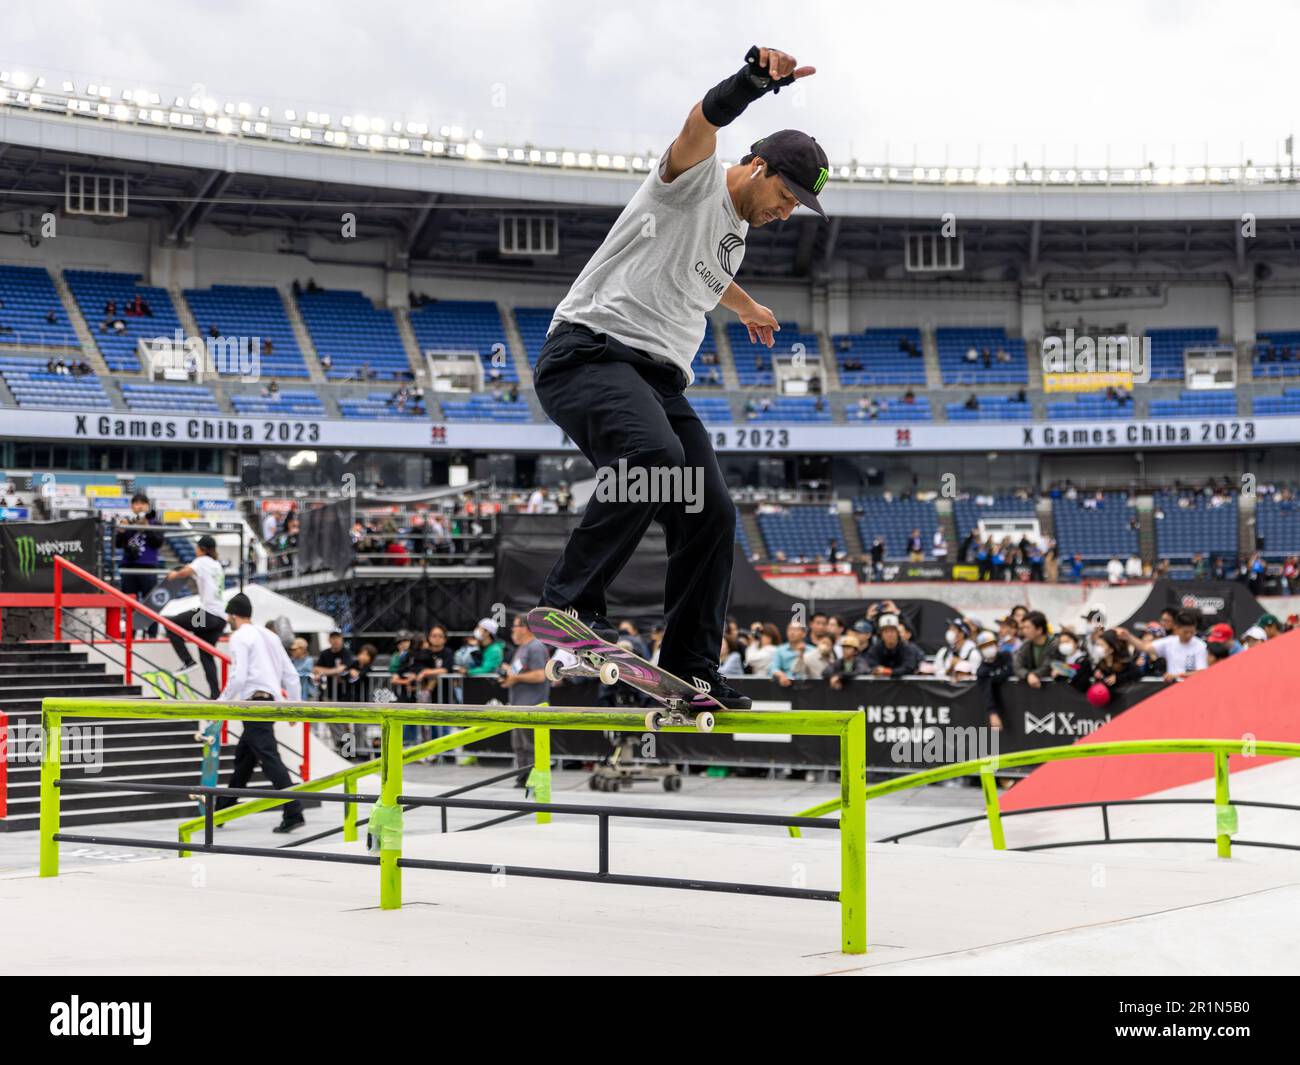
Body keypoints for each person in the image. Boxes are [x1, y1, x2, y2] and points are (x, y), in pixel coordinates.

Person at [530, 45, 824, 712]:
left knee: (711, 509)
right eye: (783, 196)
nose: (784, 214)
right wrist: (752, 81)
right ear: (757, 166)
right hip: (589, 354)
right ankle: (567, 606)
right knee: (653, 457)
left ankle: (692, 664)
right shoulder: (690, 178)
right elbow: (702, 120)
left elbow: (704, 272)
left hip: (658, 378)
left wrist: (744, 304)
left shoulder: (735, 234)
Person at [215, 592, 306, 833]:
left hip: (253, 704)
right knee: (244, 760)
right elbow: (291, 675)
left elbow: (238, 675)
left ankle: (294, 810)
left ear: (233, 615)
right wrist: (294, 707)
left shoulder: (239, 637)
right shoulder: (270, 635)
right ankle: (222, 810)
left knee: (269, 758)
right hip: (270, 703)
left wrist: (220, 703)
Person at [164, 534, 228, 699]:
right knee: (206, 655)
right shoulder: (216, 565)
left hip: (206, 614)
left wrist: (173, 575)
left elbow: (186, 572)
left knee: (170, 623)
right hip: (220, 619)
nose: (195, 551)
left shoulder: (202, 561)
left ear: (202, 549)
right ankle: (215, 694)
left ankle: (187, 660)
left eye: (197, 548)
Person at [500, 615, 550, 787]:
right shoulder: (521, 648)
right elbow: (518, 674)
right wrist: (509, 677)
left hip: (532, 706)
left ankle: (534, 779)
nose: (512, 630)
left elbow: (540, 675)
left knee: (529, 746)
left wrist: (515, 678)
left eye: (515, 626)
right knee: (519, 745)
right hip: (519, 705)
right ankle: (523, 777)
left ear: (526, 628)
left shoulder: (535, 647)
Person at [115, 492, 165, 637]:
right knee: (129, 603)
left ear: (148, 506)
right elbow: (118, 544)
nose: (139, 506)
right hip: (129, 566)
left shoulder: (156, 522)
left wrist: (147, 528)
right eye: (136, 503)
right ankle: (129, 634)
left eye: (142, 503)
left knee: (151, 603)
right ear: (132, 507)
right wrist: (121, 532)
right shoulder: (127, 522)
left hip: (148, 567)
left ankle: (152, 635)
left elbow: (158, 543)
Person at [1013, 611, 1063, 689]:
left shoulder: (1055, 644)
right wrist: (1027, 675)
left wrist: (1033, 675)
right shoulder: (1026, 644)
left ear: (1039, 630)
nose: (1024, 631)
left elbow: (1048, 665)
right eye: (1023, 627)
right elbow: (1017, 665)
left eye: (1027, 627)